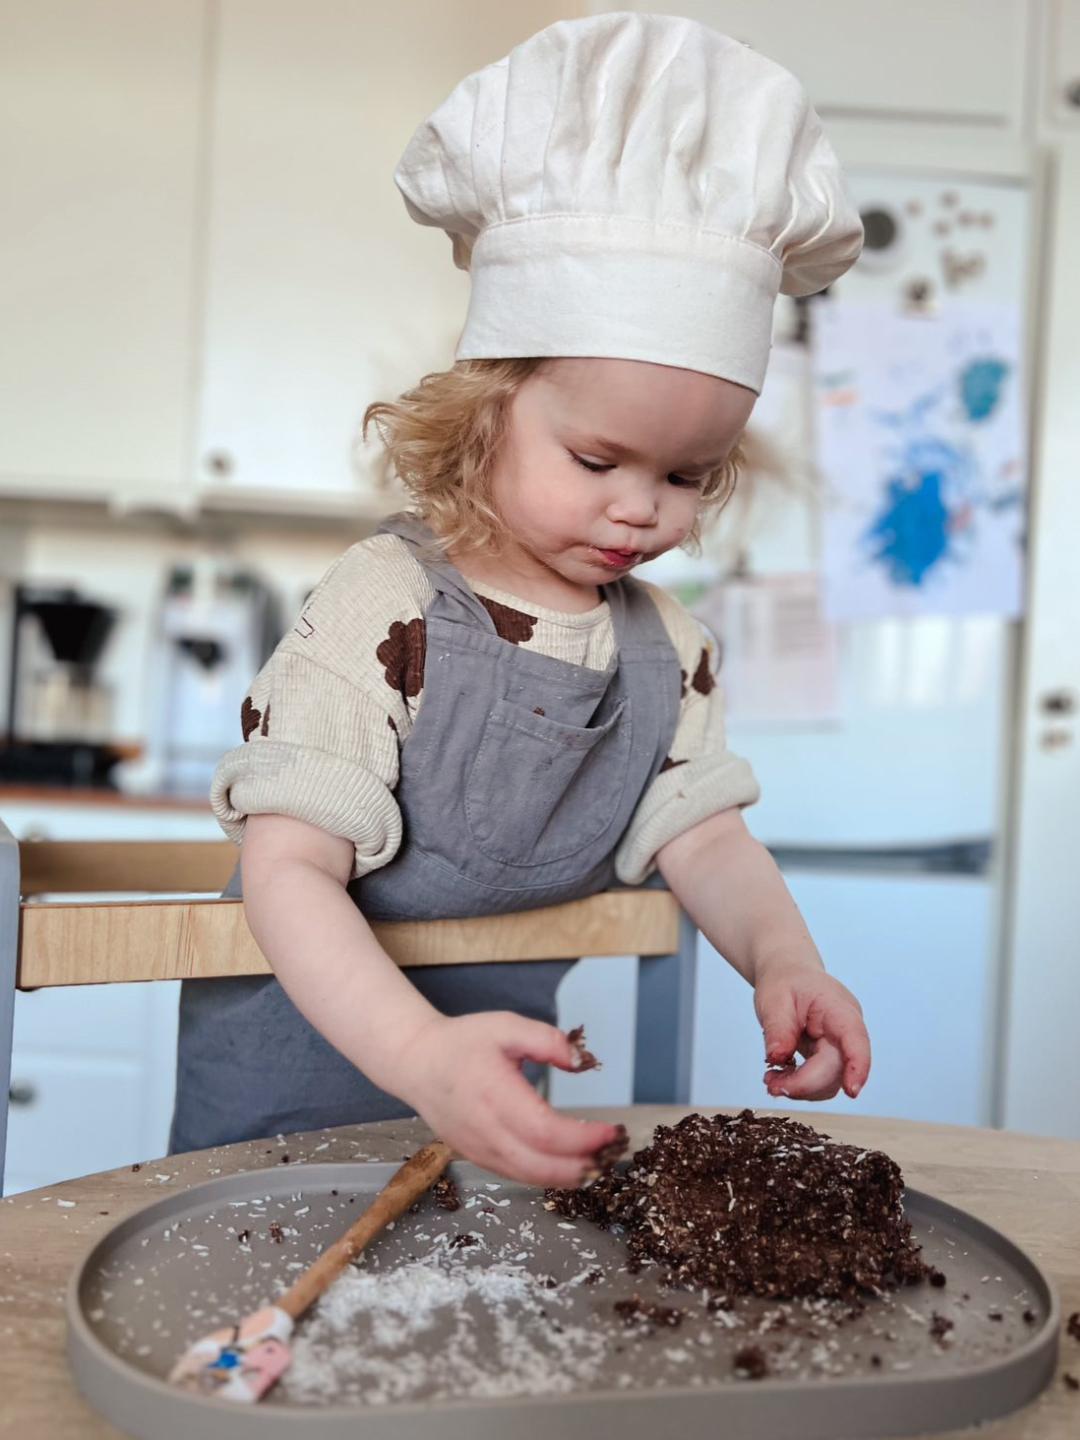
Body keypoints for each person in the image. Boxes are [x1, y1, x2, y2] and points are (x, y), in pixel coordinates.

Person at [168, 13, 871, 1187]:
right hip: (288, 1121)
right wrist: (421, 1058)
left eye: (686, 476)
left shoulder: (666, 652)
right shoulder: (385, 609)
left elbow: (705, 835)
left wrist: (784, 958)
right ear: (486, 414)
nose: (641, 510)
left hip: (492, 1113)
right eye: (599, 462)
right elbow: (290, 873)